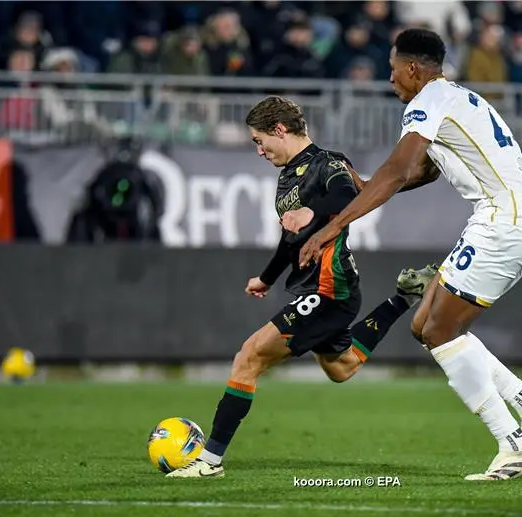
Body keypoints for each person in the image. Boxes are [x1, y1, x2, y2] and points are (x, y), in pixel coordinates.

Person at [299, 29, 522, 481]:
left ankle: (513, 444)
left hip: (503, 222)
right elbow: (424, 169)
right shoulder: (454, 98)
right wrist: (366, 187)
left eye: (392, 70)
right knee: (426, 325)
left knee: (442, 329)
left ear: (413, 69)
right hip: (518, 219)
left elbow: (401, 168)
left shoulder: (427, 101)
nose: (390, 80)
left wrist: (336, 224)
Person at [168, 96, 435, 478]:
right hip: (313, 286)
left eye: (260, 141)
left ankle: (209, 462)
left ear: (280, 130)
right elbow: (290, 238)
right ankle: (403, 298)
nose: (259, 151)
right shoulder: (287, 177)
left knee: (249, 357)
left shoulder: (328, 163)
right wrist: (267, 277)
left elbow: (349, 195)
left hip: (330, 287)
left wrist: (313, 211)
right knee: (341, 368)